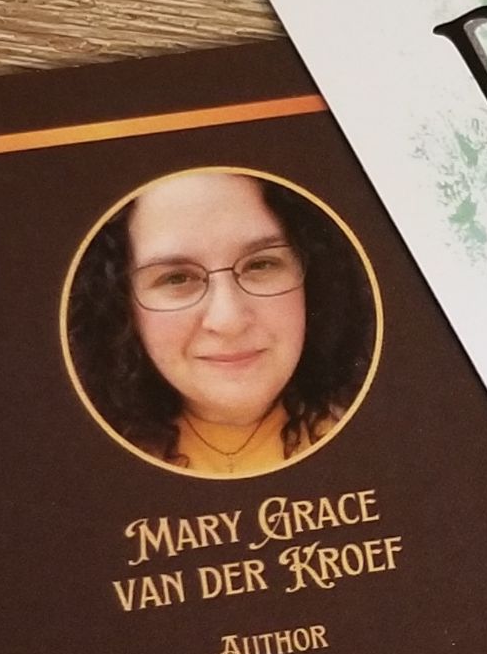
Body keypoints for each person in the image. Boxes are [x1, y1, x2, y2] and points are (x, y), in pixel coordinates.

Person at [66, 168, 375, 476]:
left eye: (261, 264)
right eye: (177, 278)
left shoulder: (382, 447)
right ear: (119, 303)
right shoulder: (84, 476)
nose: (229, 321)